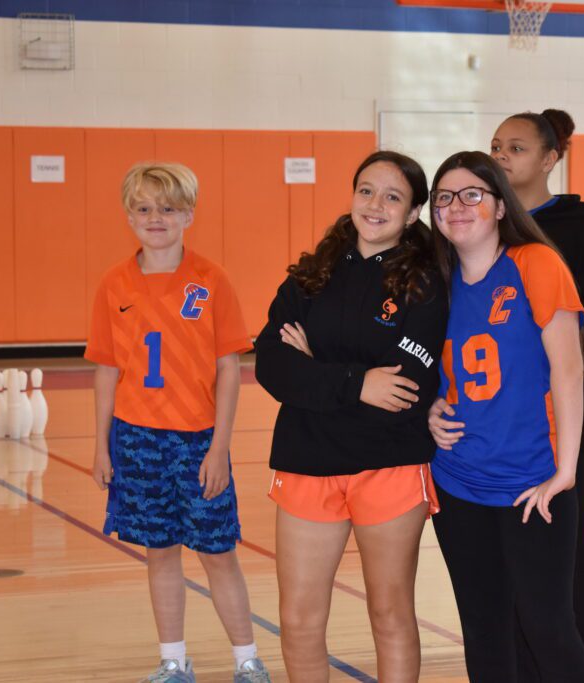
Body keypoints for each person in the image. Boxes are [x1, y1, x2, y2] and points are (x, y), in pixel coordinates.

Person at [254, 151, 447, 683]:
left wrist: (315, 365)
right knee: (297, 620)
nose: (375, 205)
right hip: (306, 460)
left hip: (388, 462)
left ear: (412, 214)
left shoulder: (425, 283)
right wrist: (356, 382)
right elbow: (272, 363)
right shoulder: (312, 274)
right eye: (366, 190)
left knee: (388, 613)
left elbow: (406, 386)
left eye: (393, 196)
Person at [87, 162, 271, 682]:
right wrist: (102, 446)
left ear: (188, 214)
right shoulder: (113, 283)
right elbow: (105, 371)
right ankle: (172, 660)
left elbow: (229, 369)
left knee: (218, 552)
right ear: (128, 215)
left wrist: (219, 447)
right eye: (144, 208)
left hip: (197, 440)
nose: (155, 218)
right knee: (160, 551)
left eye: (167, 208)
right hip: (135, 437)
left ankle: (247, 660)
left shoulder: (211, 281)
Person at [426, 151, 584, 682]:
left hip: (532, 483)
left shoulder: (535, 264)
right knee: (483, 627)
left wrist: (565, 472)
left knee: (548, 626)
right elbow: (429, 367)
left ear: (500, 206)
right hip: (457, 482)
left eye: (472, 194)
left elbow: (568, 370)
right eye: (444, 198)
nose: (457, 207)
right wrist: (431, 408)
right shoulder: (436, 281)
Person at [492, 109, 584, 681]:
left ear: (551, 159)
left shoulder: (578, 225)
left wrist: (541, 353)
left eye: (518, 148)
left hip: (560, 420)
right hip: (494, 422)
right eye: (496, 146)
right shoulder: (486, 222)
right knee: (510, 560)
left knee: (570, 558)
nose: (503, 156)